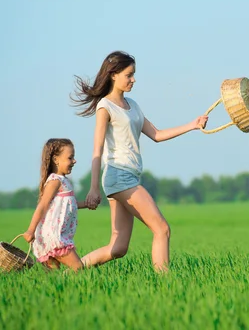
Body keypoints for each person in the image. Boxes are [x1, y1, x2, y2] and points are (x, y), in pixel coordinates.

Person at [72, 50, 208, 272]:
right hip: (119, 175)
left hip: (129, 176)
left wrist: (192, 125)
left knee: (118, 248)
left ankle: (72, 270)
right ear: (114, 75)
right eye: (129, 74)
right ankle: (166, 284)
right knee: (162, 229)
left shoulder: (132, 105)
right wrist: (94, 188)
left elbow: (156, 134)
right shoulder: (105, 107)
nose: (133, 79)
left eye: (133, 74)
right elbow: (97, 149)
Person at [23, 138, 93, 271]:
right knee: (77, 268)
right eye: (70, 158)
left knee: (53, 277)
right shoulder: (55, 181)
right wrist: (30, 230)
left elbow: (68, 205)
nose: (74, 161)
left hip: (54, 236)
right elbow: (42, 206)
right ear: (56, 159)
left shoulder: (64, 181)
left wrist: (86, 204)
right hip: (54, 237)